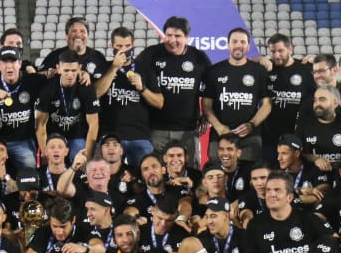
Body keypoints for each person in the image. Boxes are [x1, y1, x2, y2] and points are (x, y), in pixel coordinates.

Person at [134, 16, 212, 161]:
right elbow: (132, 75)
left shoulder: (198, 57)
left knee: (191, 174)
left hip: (188, 130)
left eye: (178, 36)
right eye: (168, 35)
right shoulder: (150, 54)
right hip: (156, 130)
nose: (172, 40)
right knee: (157, 173)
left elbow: (213, 86)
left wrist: (207, 114)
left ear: (187, 37)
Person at [94, 26, 161, 174]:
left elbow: (159, 102)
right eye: (119, 46)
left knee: (146, 176)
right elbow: (96, 93)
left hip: (139, 136)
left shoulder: (144, 69)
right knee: (105, 176)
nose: (123, 50)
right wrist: (113, 69)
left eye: (127, 46)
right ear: (111, 46)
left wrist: (142, 88)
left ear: (133, 45)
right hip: (110, 137)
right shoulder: (104, 66)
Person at [201, 27, 270, 162]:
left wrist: (252, 124)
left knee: (249, 177)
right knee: (218, 176)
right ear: (228, 45)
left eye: (243, 42)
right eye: (235, 42)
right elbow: (206, 105)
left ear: (248, 46)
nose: (239, 45)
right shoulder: (214, 71)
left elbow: (267, 105)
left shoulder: (259, 71)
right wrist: (219, 127)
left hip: (250, 137)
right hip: (220, 137)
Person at [35, 50, 100, 159]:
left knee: (80, 164)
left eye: (73, 70)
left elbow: (94, 124)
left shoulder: (87, 87)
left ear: (80, 68)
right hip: (53, 137)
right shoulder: (48, 88)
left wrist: (87, 156)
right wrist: (45, 152)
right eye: (66, 70)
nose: (70, 75)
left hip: (77, 136)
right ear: (58, 68)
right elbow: (40, 125)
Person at [297, 85, 341, 171]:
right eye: (315, 100)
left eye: (322, 99)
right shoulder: (304, 126)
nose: (317, 104)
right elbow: (298, 153)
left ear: (335, 103)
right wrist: (315, 159)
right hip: (314, 177)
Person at [36, 16, 108, 84]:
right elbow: (37, 76)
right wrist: (51, 72)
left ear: (88, 36)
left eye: (82, 31)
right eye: (74, 31)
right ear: (66, 37)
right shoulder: (55, 56)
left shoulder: (98, 57)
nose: (78, 34)